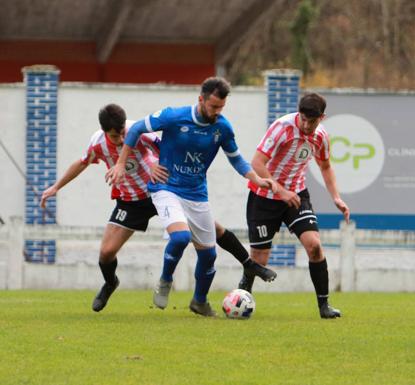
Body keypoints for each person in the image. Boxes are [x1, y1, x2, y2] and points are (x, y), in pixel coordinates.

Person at [40, 103, 272, 313]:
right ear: (104, 132)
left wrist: (154, 165)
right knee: (106, 252)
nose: (121, 139)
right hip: (131, 200)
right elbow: (81, 163)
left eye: (122, 132)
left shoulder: (138, 132)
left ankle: (248, 264)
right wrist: (56, 187)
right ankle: (111, 283)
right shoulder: (98, 143)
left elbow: (168, 149)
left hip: (161, 191)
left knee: (212, 230)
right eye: (115, 136)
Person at [107, 77, 276, 317]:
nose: (217, 112)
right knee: (180, 238)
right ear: (201, 100)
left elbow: (236, 158)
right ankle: (165, 280)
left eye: (221, 107)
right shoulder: (174, 117)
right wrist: (121, 164)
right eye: (213, 106)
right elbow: (135, 129)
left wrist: (256, 179)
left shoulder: (223, 128)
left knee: (208, 255)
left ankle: (199, 301)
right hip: (166, 188)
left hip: (196, 193)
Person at [240, 92, 350, 319]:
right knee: (259, 258)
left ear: (322, 118)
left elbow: (326, 166)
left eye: (313, 121)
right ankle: (241, 299)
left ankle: (324, 306)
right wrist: (280, 191)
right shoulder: (282, 128)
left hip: (297, 195)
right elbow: (257, 164)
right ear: (299, 113)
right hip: (264, 196)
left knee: (315, 246)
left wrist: (336, 197)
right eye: (304, 119)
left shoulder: (321, 137)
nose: (307, 125)